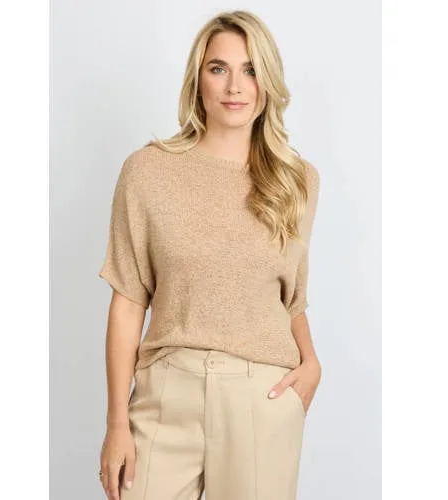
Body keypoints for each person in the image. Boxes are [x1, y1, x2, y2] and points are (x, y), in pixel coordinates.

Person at [98, 9, 322, 500]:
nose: (235, 86)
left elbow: (290, 298)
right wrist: (117, 423)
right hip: (166, 394)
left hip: (262, 396)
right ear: (197, 80)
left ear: (268, 82)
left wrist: (312, 362)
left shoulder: (297, 181)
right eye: (219, 68)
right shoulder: (147, 171)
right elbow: (128, 301)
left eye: (251, 70)